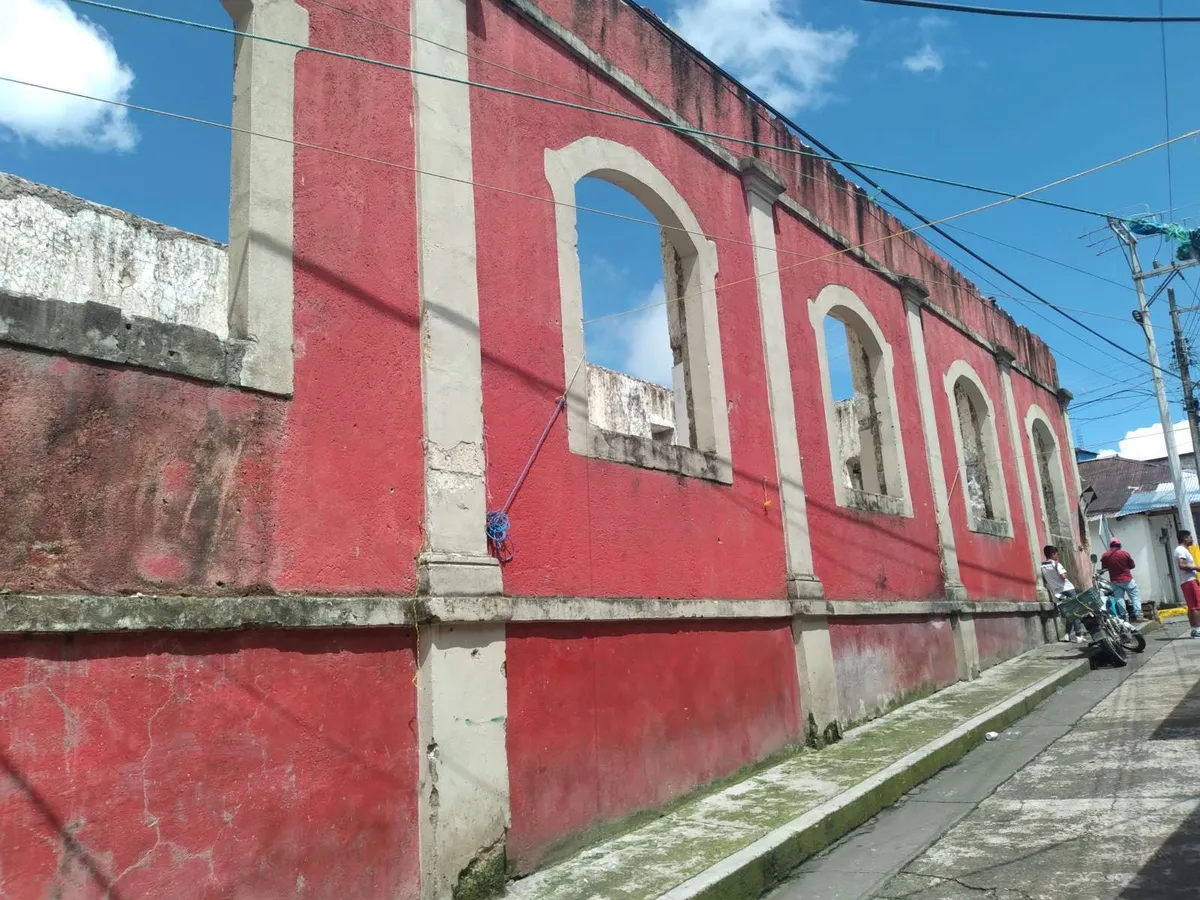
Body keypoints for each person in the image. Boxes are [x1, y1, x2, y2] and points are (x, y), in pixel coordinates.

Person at [1041, 545, 1085, 642]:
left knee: (1068, 613)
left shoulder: (1042, 566)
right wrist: (1065, 573)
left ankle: (1067, 635)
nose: (1057, 556)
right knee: (1075, 612)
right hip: (1068, 589)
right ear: (1053, 554)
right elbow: (1063, 576)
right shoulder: (1056, 564)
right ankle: (1078, 635)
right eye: (1056, 554)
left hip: (1057, 593)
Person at [1100, 538, 1143, 622]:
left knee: (1119, 598)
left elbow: (1104, 567)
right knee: (1135, 597)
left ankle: (1124, 617)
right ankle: (1139, 616)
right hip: (1127, 579)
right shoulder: (1125, 553)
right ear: (1119, 546)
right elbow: (1132, 565)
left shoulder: (1105, 555)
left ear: (1111, 546)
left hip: (1115, 581)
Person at [1176, 531, 1200, 639]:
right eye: (1190, 537)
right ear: (1185, 538)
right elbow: (1182, 565)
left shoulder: (1183, 550)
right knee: (1196, 606)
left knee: (1192, 607)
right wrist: (1197, 568)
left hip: (1188, 581)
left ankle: (1194, 630)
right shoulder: (1181, 550)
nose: (1192, 539)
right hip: (1189, 581)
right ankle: (1198, 629)